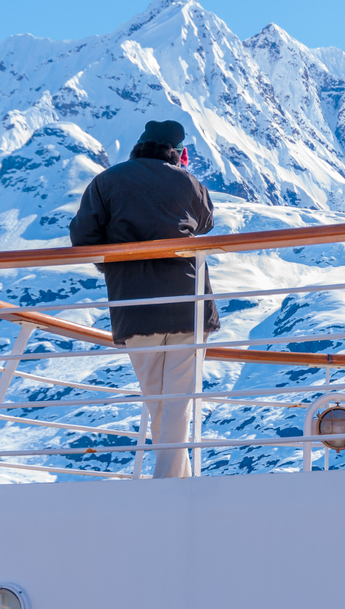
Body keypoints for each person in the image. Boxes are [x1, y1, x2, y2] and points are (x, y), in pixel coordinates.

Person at [69, 120, 220, 478]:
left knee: (157, 400)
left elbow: (82, 236)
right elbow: (206, 223)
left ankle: (175, 480)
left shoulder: (106, 180)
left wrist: (114, 266)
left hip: (134, 305)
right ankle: (172, 481)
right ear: (178, 153)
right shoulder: (189, 182)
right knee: (179, 399)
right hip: (189, 302)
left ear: (139, 147)